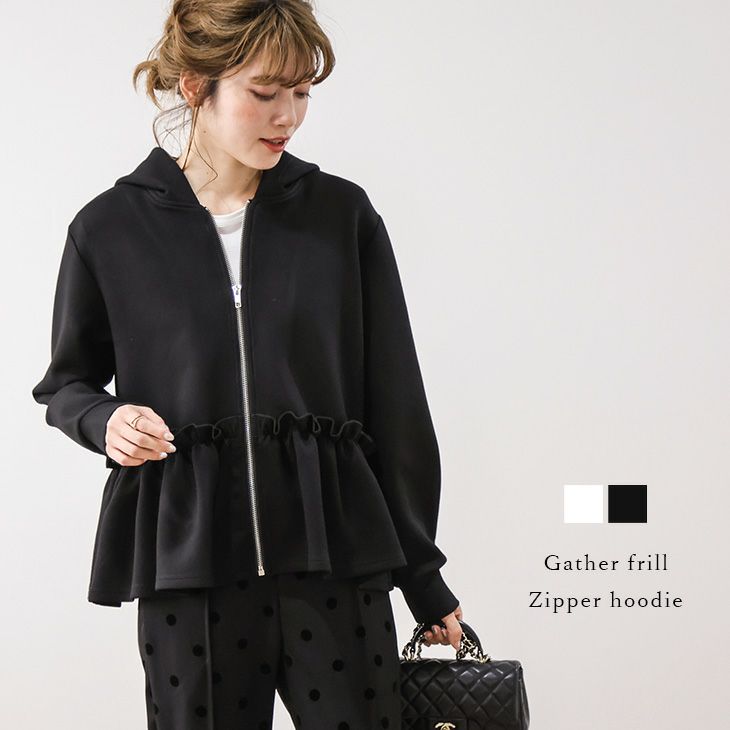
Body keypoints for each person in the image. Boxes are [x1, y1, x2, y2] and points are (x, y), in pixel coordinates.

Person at [31, 1, 463, 727]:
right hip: (191, 567)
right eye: (265, 92)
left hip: (334, 557)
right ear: (195, 85)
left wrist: (423, 575)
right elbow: (65, 384)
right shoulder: (109, 229)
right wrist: (105, 421)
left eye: (301, 93)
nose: (287, 116)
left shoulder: (341, 216)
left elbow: (395, 404)